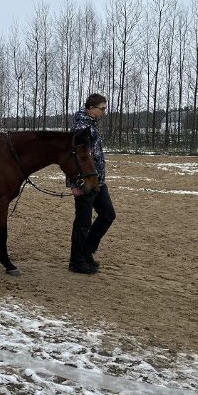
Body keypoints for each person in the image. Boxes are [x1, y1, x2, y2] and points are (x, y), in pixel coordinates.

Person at [68, 93, 116, 274]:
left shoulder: (91, 124)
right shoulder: (81, 126)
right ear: (90, 108)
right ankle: (76, 262)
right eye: (102, 109)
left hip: (98, 181)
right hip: (85, 182)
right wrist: (74, 183)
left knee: (108, 215)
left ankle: (86, 251)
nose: (104, 112)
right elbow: (74, 158)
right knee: (82, 222)